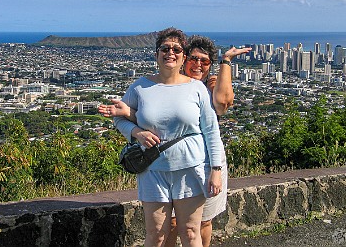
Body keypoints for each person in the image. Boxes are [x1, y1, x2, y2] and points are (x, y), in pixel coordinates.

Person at [99, 35, 251, 247]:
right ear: (156, 55)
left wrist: (216, 169)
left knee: (191, 231)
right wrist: (136, 132)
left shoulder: (197, 88)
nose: (170, 52)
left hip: (191, 169)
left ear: (182, 57)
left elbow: (211, 130)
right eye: (165, 48)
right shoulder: (140, 87)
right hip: (153, 171)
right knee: (157, 235)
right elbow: (118, 117)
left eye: (176, 49)